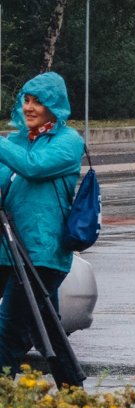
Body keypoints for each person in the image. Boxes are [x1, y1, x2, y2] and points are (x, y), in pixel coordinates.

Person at [0, 73, 85, 374]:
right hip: (10, 250)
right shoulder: (18, 140)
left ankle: (6, 405)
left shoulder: (68, 142)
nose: (29, 107)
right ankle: (74, 394)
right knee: (46, 331)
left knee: (8, 330)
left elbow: (33, 168)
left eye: (38, 101)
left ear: (54, 106)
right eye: (26, 100)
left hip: (43, 251)